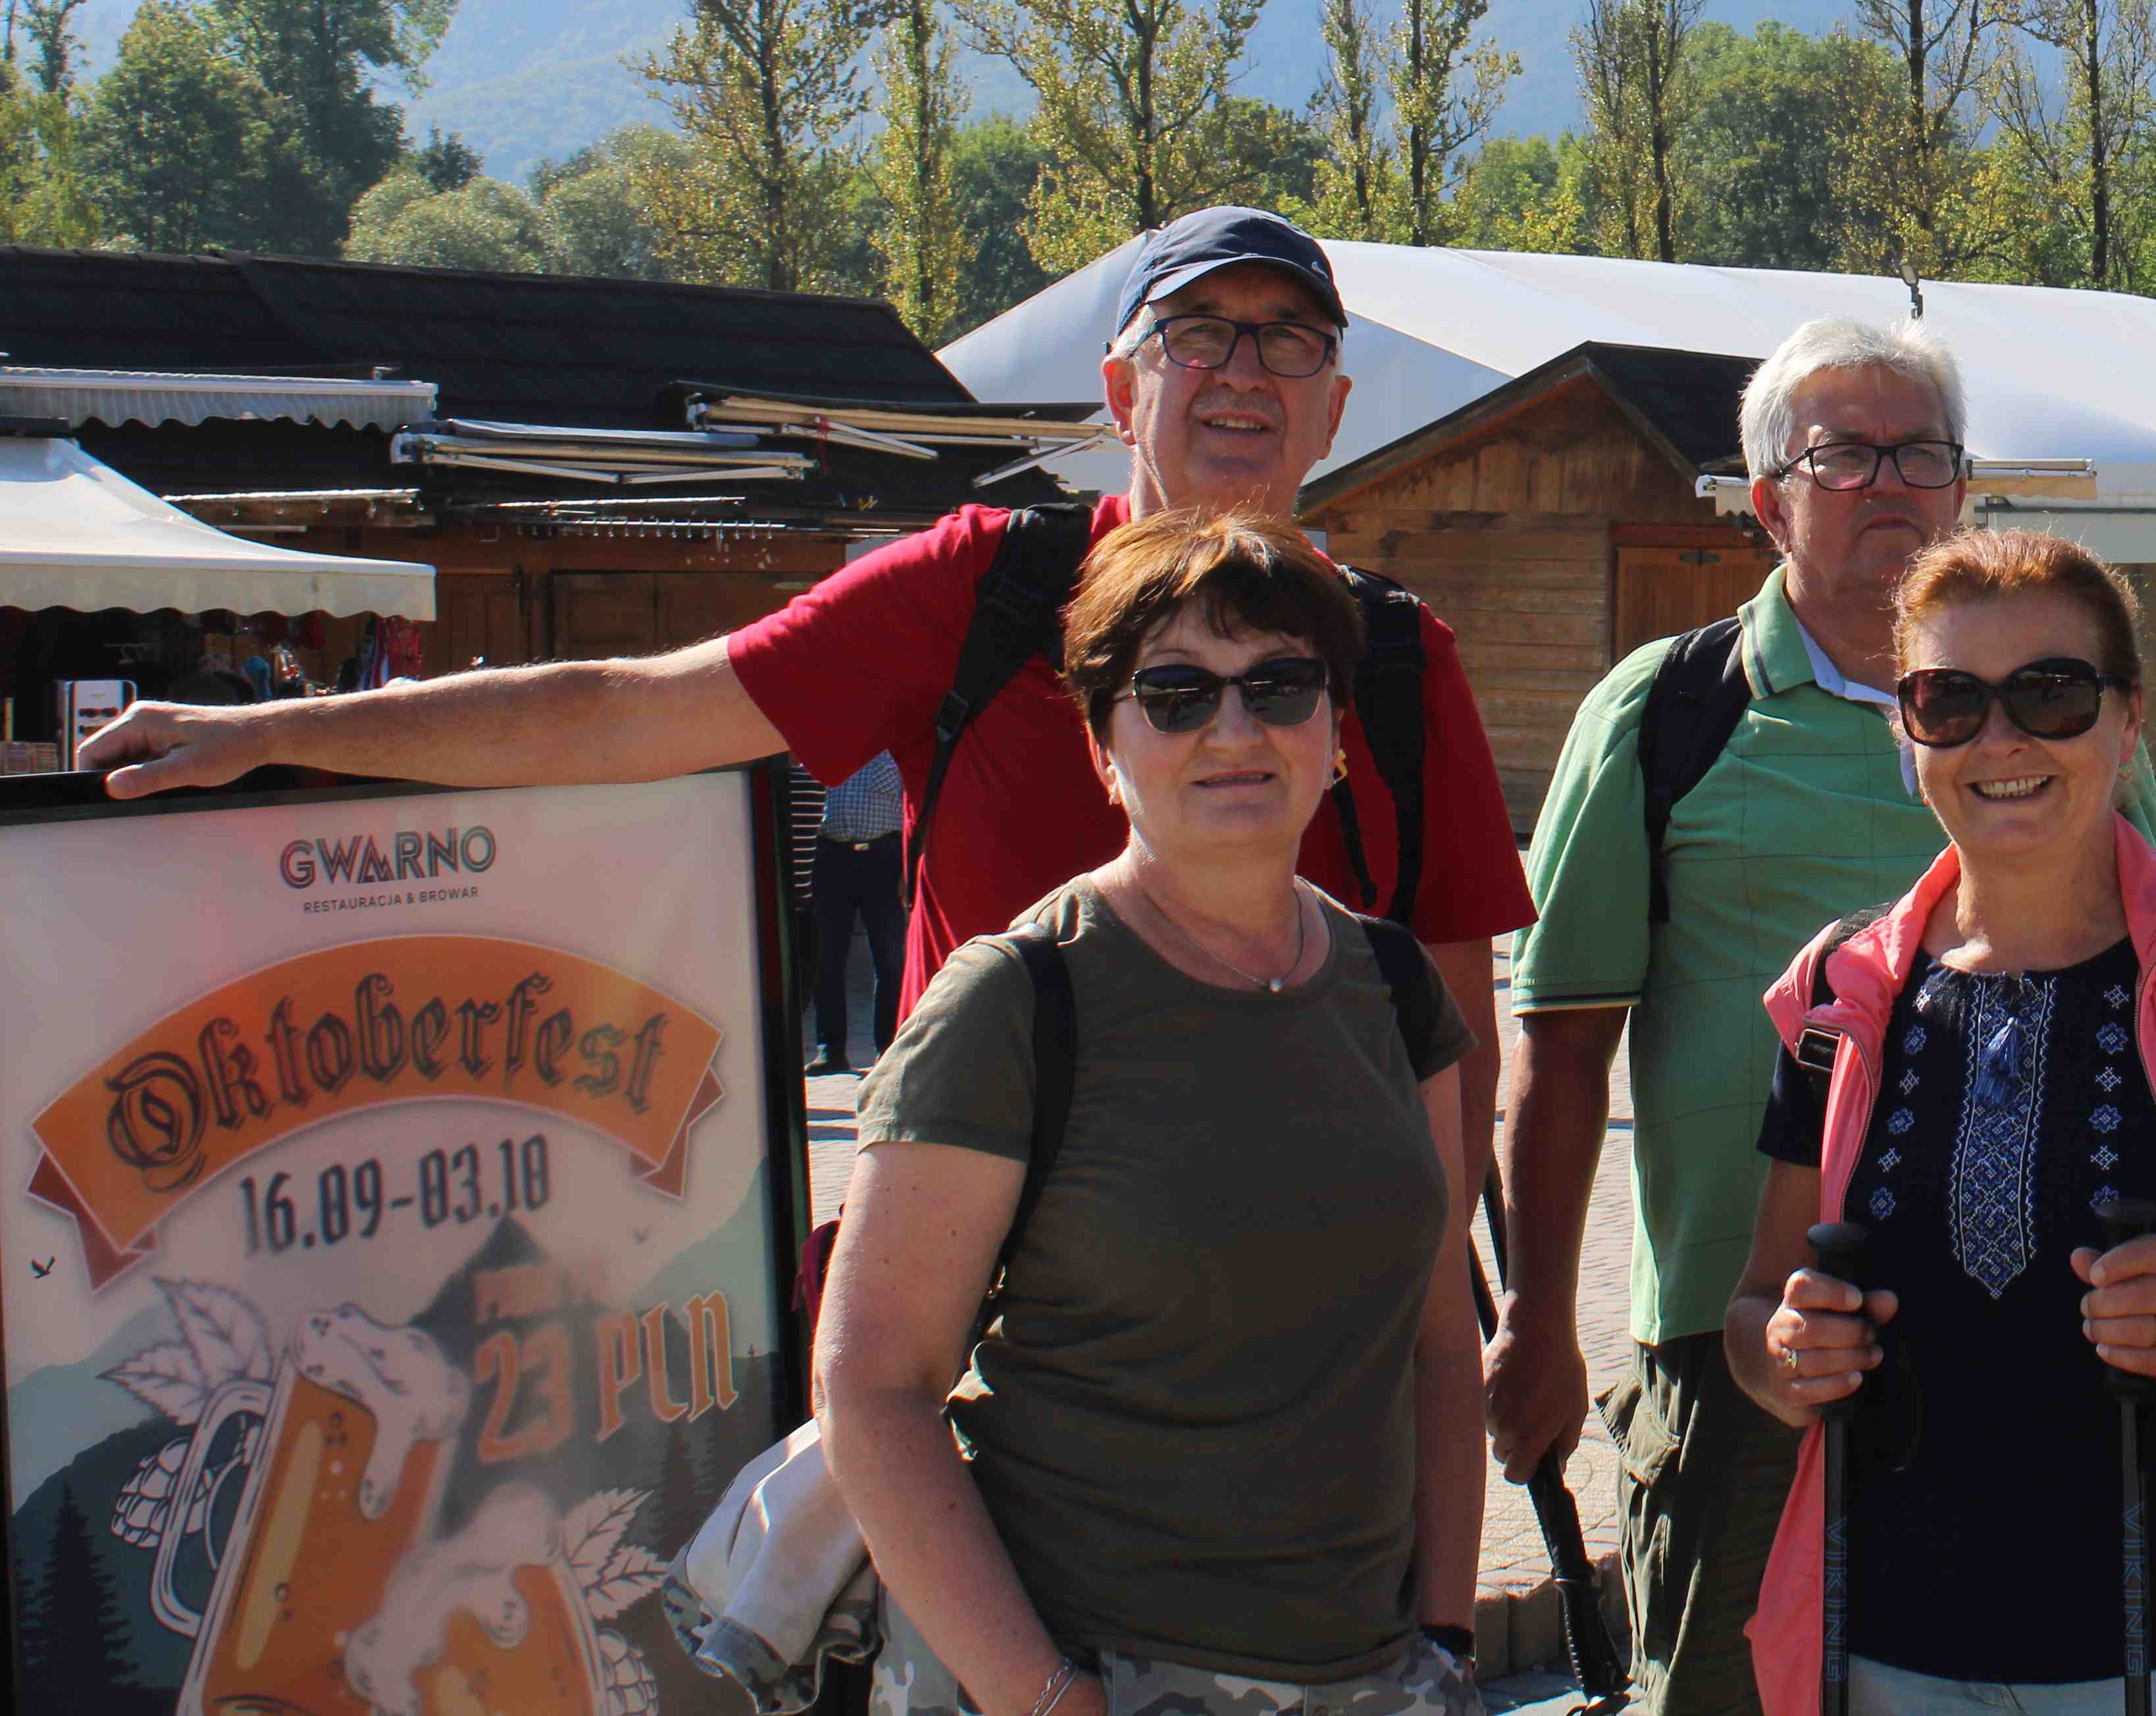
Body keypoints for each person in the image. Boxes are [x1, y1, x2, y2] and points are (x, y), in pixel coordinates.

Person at [78, 206, 1531, 1186]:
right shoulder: (980, 592)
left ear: (1335, 407)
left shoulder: (1396, 661)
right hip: (979, 1289)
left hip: (1293, 1307)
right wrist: (271, 730)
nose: (1242, 370)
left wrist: (1471, 1328)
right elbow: (626, 709)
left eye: (1290, 338)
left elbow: (1455, 1039)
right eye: (1197, 333)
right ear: (1120, 390)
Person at [1500, 318, 2156, 1716]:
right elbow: (1562, 1045)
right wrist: (1539, 1318)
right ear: (1766, 502)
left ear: (1963, 484)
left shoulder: (2070, 715)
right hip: (1751, 1338)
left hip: (2053, 1334)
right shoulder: (1666, 712)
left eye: (1920, 452)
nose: (1889, 484)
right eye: (1843, 456)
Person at [820, 507, 1483, 1716]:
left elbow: (1441, 1345)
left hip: (1376, 1673)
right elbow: (873, 1388)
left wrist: (1445, 1637)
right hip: (1093, 1668)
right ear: (1101, 748)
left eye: (1280, 685)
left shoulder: (1394, 988)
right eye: (1174, 694)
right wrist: (1046, 1697)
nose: (1234, 729)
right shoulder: (1017, 1000)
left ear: (1335, 730)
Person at [1733, 528, 2156, 1715]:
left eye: (2051, 694)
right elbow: (1750, 1318)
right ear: (1906, 733)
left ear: (2129, 722)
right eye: (1949, 700)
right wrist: (1786, 1357)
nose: (2001, 740)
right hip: (1877, 1655)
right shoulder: (1841, 991)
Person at [802, 751, 907, 1073]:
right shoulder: (832, 749)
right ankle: (830, 1050)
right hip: (832, 856)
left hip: (884, 858)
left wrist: (909, 866)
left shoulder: (894, 753)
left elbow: (914, 809)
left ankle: (888, 1049)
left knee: (889, 961)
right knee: (827, 958)